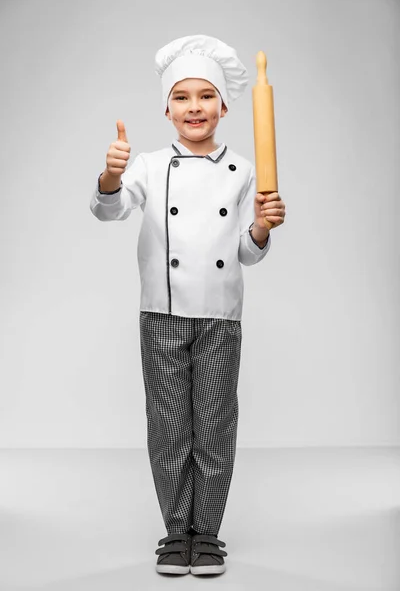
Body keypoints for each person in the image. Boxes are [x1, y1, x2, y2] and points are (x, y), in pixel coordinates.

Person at [90, 34, 286, 576]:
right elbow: (108, 210)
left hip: (222, 316)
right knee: (170, 426)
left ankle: (210, 534)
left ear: (224, 106)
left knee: (217, 425)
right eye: (182, 97)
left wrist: (263, 228)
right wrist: (110, 174)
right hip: (161, 313)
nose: (194, 107)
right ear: (167, 108)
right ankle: (178, 533)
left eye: (205, 96)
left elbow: (245, 252)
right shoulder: (149, 166)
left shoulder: (245, 171)